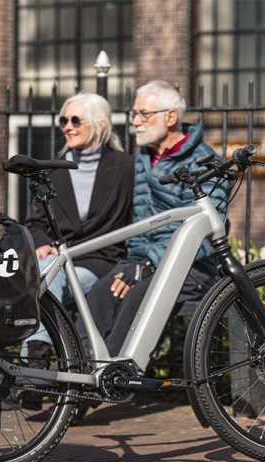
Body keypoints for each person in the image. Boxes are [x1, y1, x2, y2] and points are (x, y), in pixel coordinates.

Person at [82, 80, 230, 356]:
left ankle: (114, 374)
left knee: (140, 297)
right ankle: (76, 373)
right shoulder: (142, 157)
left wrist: (151, 261)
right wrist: (139, 262)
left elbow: (209, 231)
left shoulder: (205, 162)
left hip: (190, 267)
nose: (135, 122)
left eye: (143, 114)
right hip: (142, 262)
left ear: (171, 116)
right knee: (101, 294)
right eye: (133, 114)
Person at [23, 92, 133, 355]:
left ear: (100, 124)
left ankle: (38, 362)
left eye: (75, 120)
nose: (67, 127)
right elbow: (35, 221)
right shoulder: (52, 170)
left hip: (99, 260)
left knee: (47, 277)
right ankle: (36, 359)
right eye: (63, 120)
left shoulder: (126, 167)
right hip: (58, 259)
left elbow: (136, 217)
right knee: (46, 270)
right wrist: (41, 244)